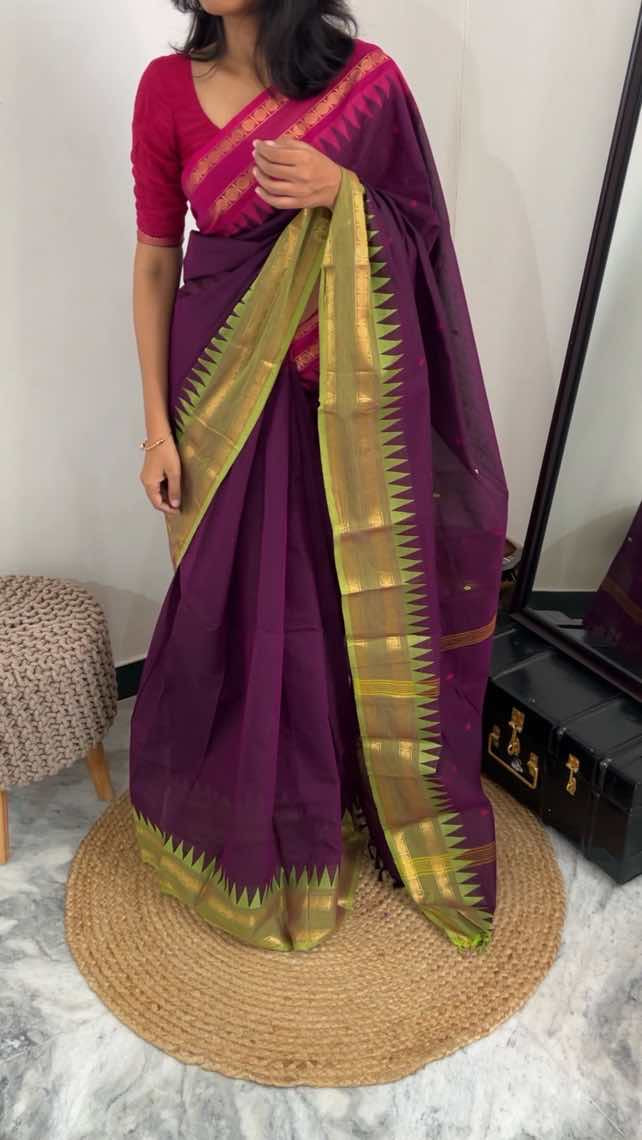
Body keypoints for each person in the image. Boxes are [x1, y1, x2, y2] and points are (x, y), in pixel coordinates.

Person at [128, 0, 509, 955]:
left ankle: (335, 794)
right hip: (221, 392)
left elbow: (424, 235)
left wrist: (345, 192)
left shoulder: (365, 82)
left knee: (338, 604)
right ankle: (250, 823)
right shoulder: (165, 89)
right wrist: (156, 431)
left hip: (346, 399)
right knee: (240, 609)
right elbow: (156, 258)